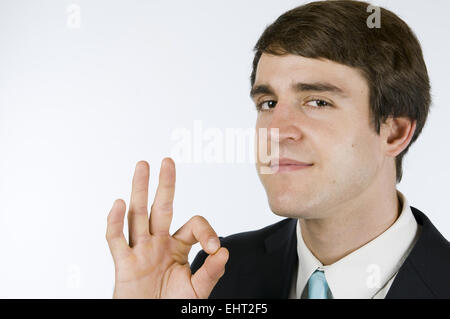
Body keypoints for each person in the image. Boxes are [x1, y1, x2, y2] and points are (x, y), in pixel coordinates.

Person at [105, 0, 450, 299]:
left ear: (395, 133)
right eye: (268, 103)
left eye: (317, 101)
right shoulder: (216, 276)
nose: (276, 131)